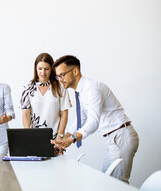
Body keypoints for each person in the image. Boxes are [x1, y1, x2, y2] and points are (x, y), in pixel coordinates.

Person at [51, 55, 139, 183]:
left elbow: (94, 121)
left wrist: (71, 139)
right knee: (107, 182)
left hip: (121, 135)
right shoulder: (81, 91)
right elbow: (81, 118)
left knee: (118, 185)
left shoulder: (91, 88)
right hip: (112, 138)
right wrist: (65, 137)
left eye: (62, 75)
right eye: (58, 76)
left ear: (75, 71)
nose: (60, 80)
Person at [20, 53, 71, 154]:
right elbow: (25, 114)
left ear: (51, 69)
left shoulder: (60, 87)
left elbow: (64, 113)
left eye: (46, 69)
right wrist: (28, 136)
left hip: (54, 138)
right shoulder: (27, 88)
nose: (43, 72)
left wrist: (60, 136)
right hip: (34, 137)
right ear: (36, 69)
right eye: (40, 68)